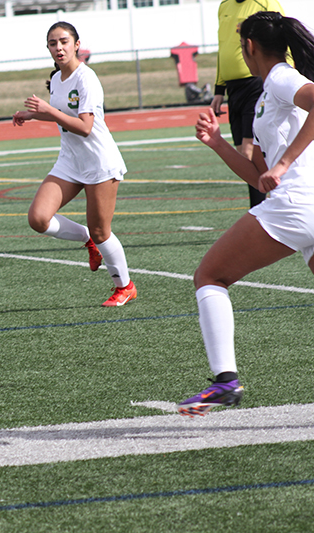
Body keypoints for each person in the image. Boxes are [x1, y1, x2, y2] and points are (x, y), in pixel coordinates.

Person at [178, 12, 314, 417]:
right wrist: (218, 144)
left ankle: (226, 381)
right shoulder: (267, 92)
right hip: (304, 205)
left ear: (249, 47)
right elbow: (258, 178)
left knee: (210, 276)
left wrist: (285, 164)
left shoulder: (280, 79)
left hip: (297, 204)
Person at [12, 21, 136, 307]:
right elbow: (59, 113)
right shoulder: (56, 79)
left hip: (98, 162)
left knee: (102, 231)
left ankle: (125, 286)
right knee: (38, 218)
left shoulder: (87, 79)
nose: (59, 48)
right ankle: (87, 241)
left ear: (77, 44)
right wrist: (31, 115)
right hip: (70, 162)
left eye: (64, 41)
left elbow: (85, 127)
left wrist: (47, 110)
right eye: (53, 43)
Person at [212, 0, 286, 208]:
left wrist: (280, 78)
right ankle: (265, 205)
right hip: (234, 90)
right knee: (243, 156)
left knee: (249, 152)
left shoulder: (266, 3)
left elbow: (283, 38)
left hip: (256, 84)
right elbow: (222, 47)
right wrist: (219, 89)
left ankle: (260, 209)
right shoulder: (224, 6)